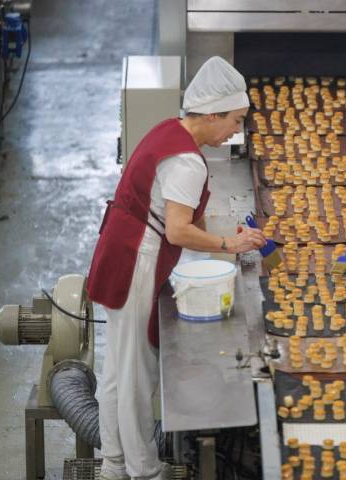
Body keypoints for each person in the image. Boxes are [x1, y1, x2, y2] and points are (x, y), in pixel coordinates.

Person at [86, 56, 266, 480]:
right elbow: (180, 232)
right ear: (210, 114)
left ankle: (114, 465)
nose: (236, 130)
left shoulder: (170, 131)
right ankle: (145, 471)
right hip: (136, 259)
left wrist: (228, 235)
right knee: (135, 376)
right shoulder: (187, 163)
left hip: (121, 246)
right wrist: (229, 244)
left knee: (117, 371)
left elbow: (186, 216)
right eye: (235, 121)